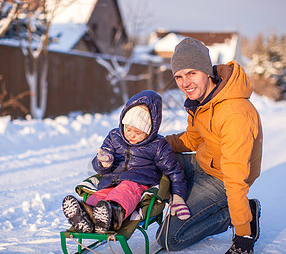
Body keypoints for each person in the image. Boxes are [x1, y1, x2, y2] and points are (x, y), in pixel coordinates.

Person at [156, 37, 263, 254]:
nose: (185, 83)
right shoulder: (203, 100)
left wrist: (243, 232)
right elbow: (193, 139)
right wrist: (157, 144)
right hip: (204, 162)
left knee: (169, 238)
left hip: (223, 178)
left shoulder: (234, 113)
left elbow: (235, 177)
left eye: (191, 73)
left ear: (206, 71)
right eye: (179, 76)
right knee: (153, 158)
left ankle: (239, 214)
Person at [62, 90, 190, 234]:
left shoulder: (158, 144)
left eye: (139, 132)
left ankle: (113, 216)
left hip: (137, 182)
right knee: (101, 194)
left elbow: (173, 171)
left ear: (150, 130)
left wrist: (179, 197)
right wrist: (104, 162)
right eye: (128, 129)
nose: (131, 135)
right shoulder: (114, 136)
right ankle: (84, 215)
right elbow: (99, 164)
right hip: (111, 181)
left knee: (125, 190)